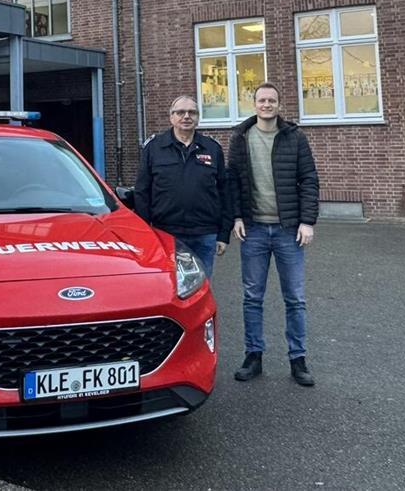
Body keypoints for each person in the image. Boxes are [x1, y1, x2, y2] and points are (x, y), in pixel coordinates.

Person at [228, 82, 319, 387]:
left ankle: (298, 359)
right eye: (261, 100)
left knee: (295, 298)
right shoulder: (240, 138)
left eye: (272, 100)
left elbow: (309, 180)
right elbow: (234, 182)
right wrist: (236, 216)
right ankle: (254, 355)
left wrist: (307, 222)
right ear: (253, 104)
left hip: (288, 231)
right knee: (252, 297)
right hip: (253, 229)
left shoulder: (294, 137)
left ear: (279, 105)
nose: (266, 104)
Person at [133, 94, 233, 274]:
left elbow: (225, 191)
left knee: (201, 287)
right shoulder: (154, 148)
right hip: (166, 232)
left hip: (205, 233)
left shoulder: (212, 148)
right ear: (171, 117)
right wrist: (147, 232)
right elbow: (142, 191)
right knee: (169, 286)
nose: (186, 116)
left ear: (198, 118)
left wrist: (224, 233)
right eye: (180, 112)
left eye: (192, 112)